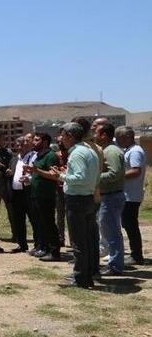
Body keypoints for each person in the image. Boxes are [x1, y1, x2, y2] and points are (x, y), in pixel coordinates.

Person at [54, 122, 99, 288]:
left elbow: (79, 178)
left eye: (63, 135)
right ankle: (87, 275)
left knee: (79, 242)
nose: (61, 139)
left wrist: (61, 176)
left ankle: (81, 278)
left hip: (78, 200)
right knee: (86, 240)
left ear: (70, 136)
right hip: (87, 198)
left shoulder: (78, 153)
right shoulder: (88, 150)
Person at [24, 133, 62, 261]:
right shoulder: (39, 156)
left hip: (46, 195)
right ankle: (42, 247)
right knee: (39, 223)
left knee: (48, 223)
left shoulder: (51, 156)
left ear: (45, 142)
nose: (33, 143)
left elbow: (53, 175)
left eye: (36, 140)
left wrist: (36, 170)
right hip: (36, 194)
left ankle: (54, 251)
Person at [94, 123, 125, 275]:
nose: (94, 135)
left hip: (111, 196)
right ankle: (114, 263)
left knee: (112, 233)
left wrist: (94, 177)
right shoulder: (105, 150)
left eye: (96, 133)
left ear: (104, 135)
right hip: (108, 196)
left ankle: (115, 265)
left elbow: (115, 174)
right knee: (109, 232)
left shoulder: (111, 151)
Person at [116, 126, 145, 265]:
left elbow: (135, 171)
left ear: (127, 137)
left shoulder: (135, 152)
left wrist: (117, 176)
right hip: (128, 194)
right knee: (128, 224)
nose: (118, 141)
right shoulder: (129, 150)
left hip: (131, 195)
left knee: (130, 225)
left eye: (120, 138)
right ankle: (135, 253)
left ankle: (136, 255)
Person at [6, 136, 33, 253]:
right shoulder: (14, 159)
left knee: (33, 219)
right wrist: (9, 173)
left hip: (27, 193)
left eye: (22, 145)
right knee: (18, 220)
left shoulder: (32, 157)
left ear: (27, 145)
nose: (19, 147)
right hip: (15, 194)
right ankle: (22, 244)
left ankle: (38, 244)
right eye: (17, 145)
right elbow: (12, 173)